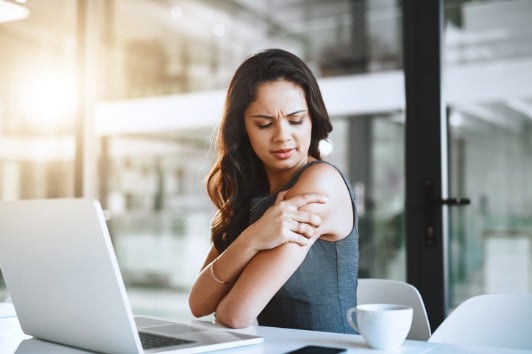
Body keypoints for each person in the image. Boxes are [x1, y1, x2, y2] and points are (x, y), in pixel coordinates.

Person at [188, 48, 359, 334]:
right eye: (264, 124)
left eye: (295, 120)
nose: (282, 136)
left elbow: (234, 315)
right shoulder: (251, 193)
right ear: (242, 128)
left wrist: (252, 239)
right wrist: (253, 238)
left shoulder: (319, 185)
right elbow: (198, 303)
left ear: (313, 118)